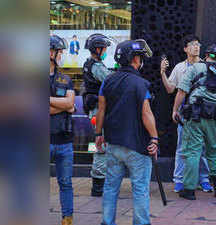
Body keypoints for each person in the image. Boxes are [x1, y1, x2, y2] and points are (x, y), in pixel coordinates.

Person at [95, 39, 158, 225]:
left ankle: (107, 222)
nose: (141, 61)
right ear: (134, 59)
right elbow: (146, 113)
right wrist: (154, 137)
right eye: (140, 57)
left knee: (110, 187)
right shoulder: (141, 84)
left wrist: (98, 134)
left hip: (113, 144)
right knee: (139, 189)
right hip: (137, 146)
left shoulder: (107, 80)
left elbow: (101, 109)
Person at [172, 44, 216, 200]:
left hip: (196, 115)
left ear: (207, 55)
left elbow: (182, 91)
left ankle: (189, 190)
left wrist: (175, 110)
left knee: (193, 151)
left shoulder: (195, 67)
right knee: (214, 150)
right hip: (215, 117)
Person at [160, 34, 212, 193]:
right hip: (185, 112)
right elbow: (170, 89)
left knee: (202, 148)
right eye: (192, 44)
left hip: (202, 112)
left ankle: (204, 180)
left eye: (198, 44)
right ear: (185, 49)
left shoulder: (207, 66)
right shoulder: (180, 67)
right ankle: (179, 180)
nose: (196, 47)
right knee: (182, 147)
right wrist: (162, 72)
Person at [82, 33, 112, 197]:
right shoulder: (96, 66)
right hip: (97, 111)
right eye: (105, 48)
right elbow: (110, 81)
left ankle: (100, 180)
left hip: (95, 110)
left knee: (101, 143)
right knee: (101, 145)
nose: (106, 51)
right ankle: (98, 184)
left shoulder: (90, 64)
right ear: (98, 49)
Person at [50, 34, 75, 225]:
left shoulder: (65, 79)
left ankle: (67, 218)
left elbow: (71, 103)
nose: (61, 55)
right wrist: (64, 105)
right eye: (59, 52)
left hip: (64, 142)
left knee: (66, 183)